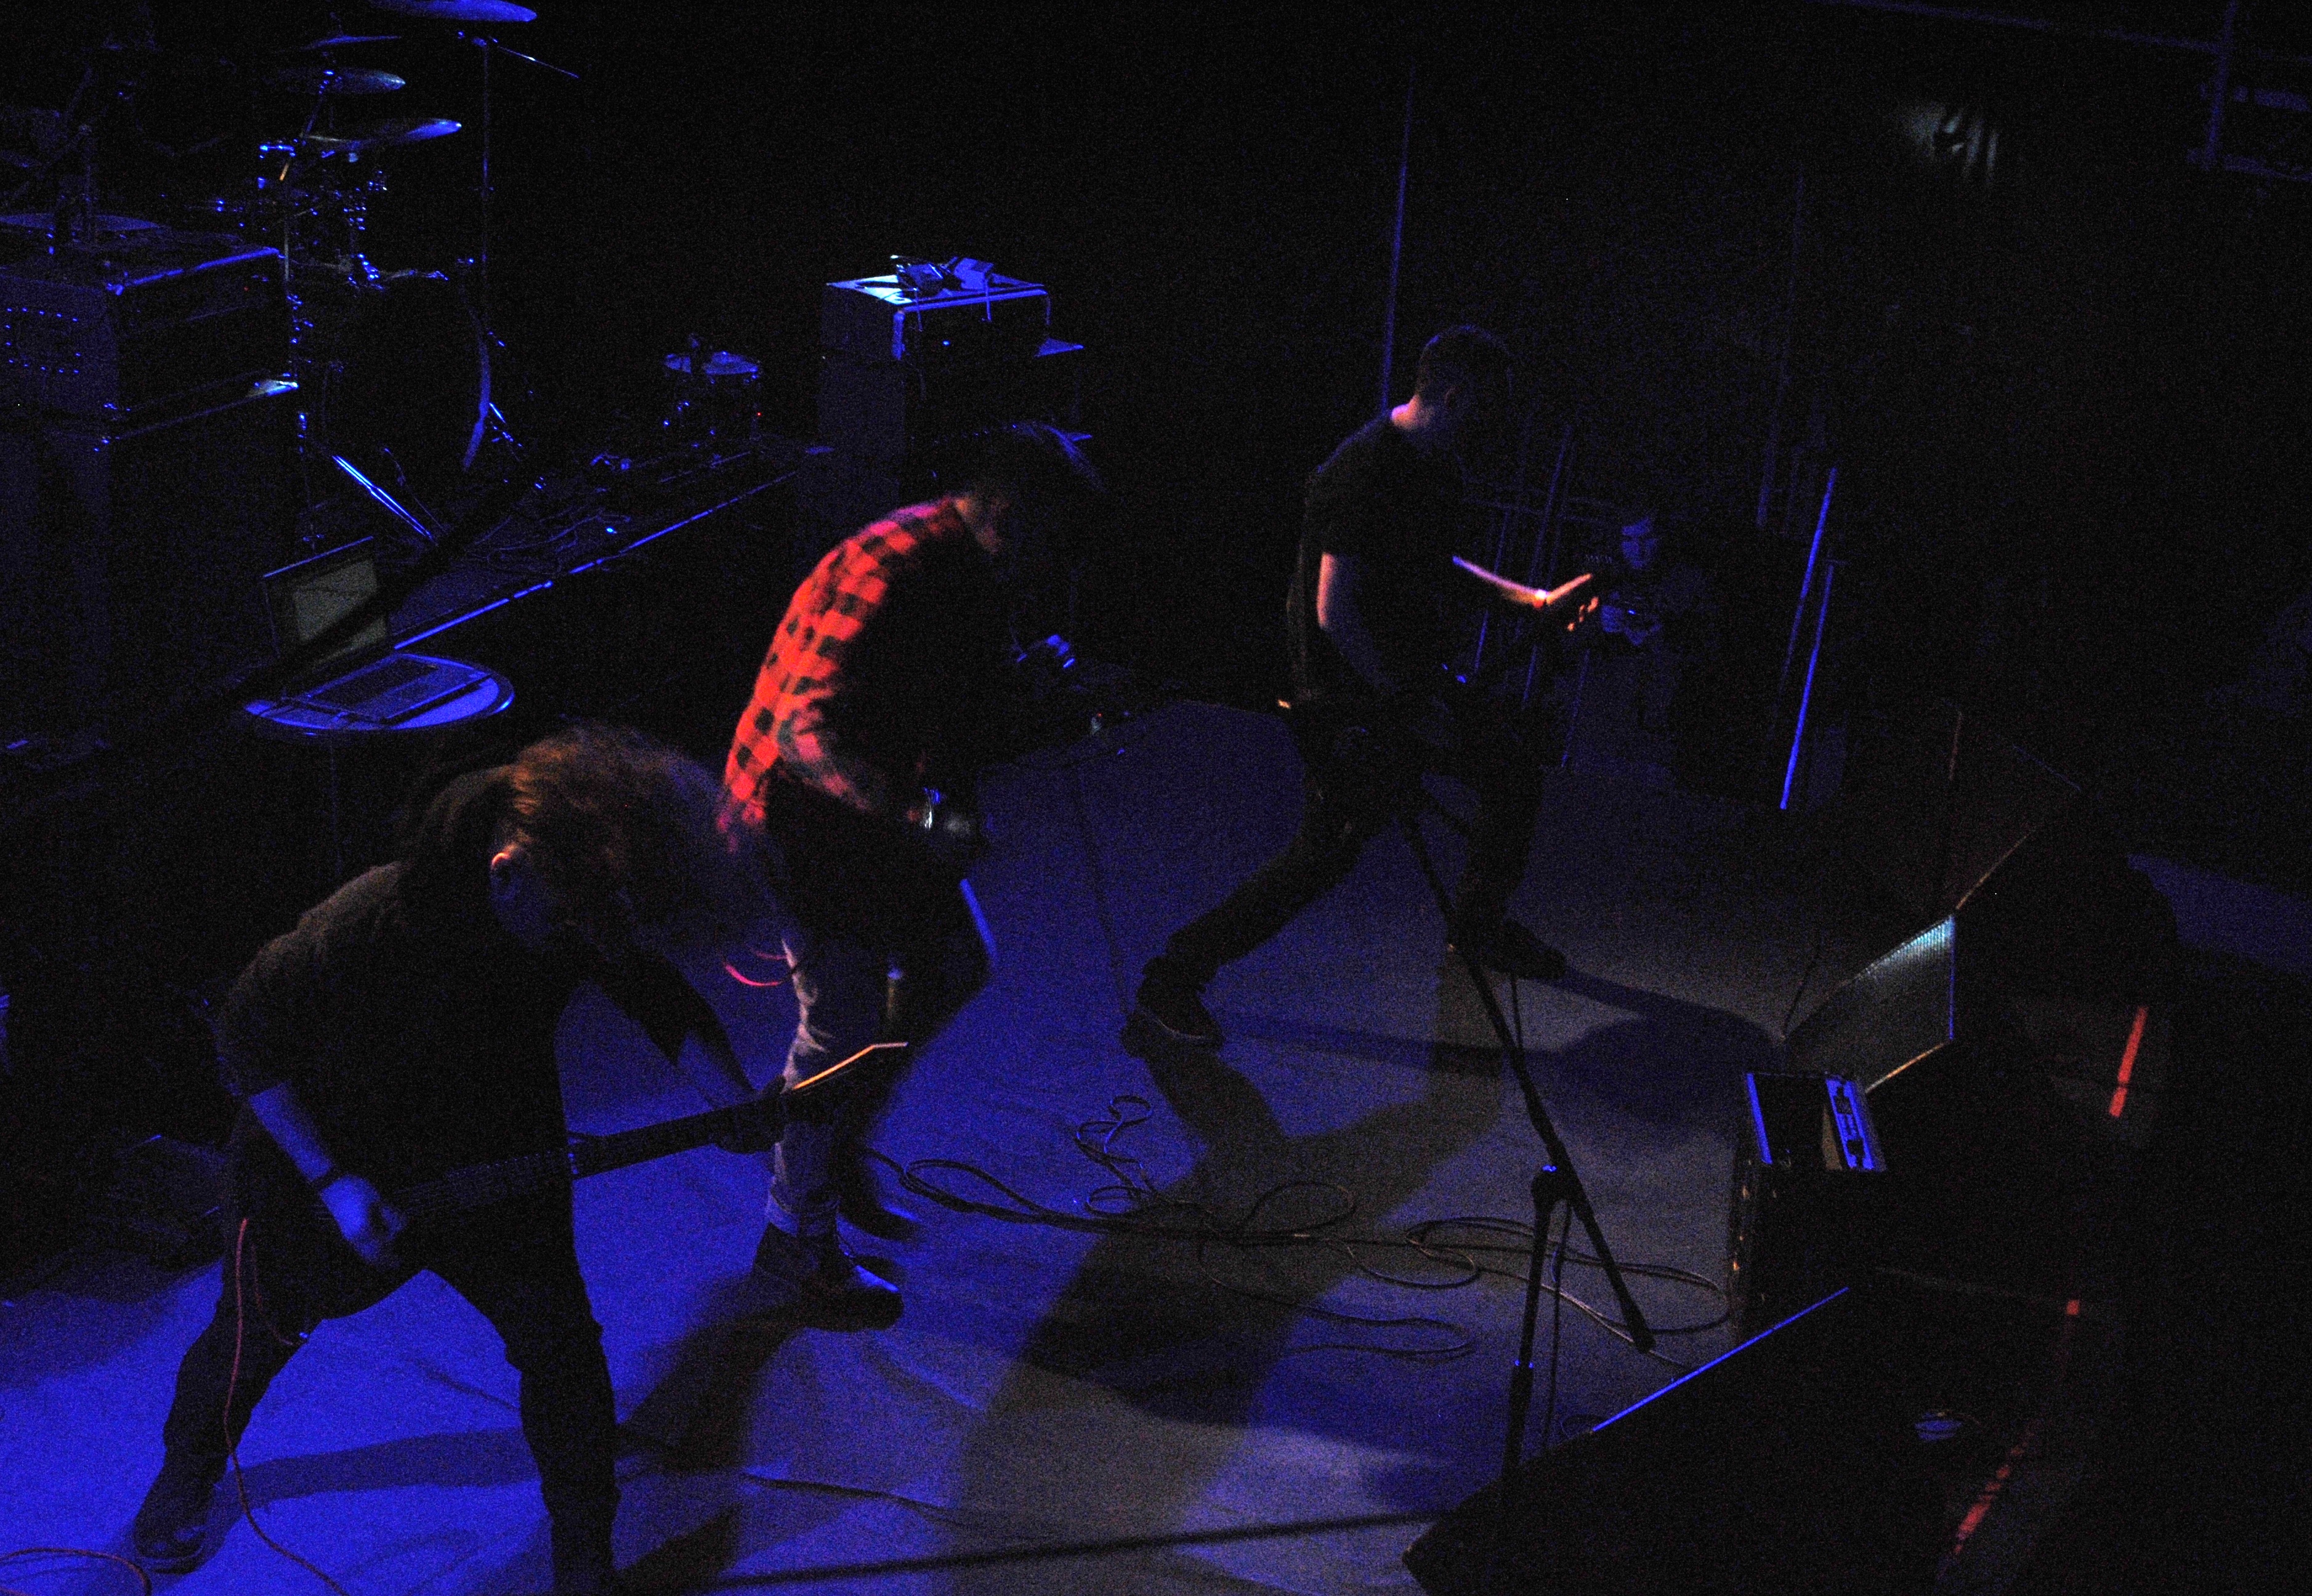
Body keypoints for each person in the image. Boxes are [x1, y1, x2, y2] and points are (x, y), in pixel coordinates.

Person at [129, 724, 782, 1592]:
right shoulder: (368, 923)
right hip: (321, 1173)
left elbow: (652, 991)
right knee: (251, 1344)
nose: (581, 940)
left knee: (563, 1353)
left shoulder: (572, 898)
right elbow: (246, 1038)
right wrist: (334, 1181)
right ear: (506, 871)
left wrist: (728, 1096)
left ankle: (584, 1558)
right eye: (566, 923)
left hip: (499, 1156)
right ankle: (187, 1472)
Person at [1127, 326, 1597, 1052]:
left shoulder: (1433, 467)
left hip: (1402, 682)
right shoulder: (1361, 472)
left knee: (1509, 775)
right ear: (1454, 396)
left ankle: (1476, 929)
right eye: (1488, 408)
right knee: (1326, 852)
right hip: (1346, 698)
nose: (1495, 426)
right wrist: (1404, 705)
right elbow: (1333, 611)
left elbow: (1431, 563)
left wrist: (1530, 601)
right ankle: (1172, 977)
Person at [723, 422, 1103, 1300]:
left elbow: (941, 697)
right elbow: (804, 732)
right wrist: (920, 817)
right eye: (1048, 542)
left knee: (952, 965)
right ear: (1009, 513)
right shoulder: (897, 568)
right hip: (803, 824)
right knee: (841, 1029)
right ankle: (793, 1241)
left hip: (865, 824)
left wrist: (1028, 687)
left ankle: (835, 1143)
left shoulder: (971, 571)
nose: (1050, 567)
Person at [1598, 509, 1714, 735]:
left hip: (1670, 722)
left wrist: (1661, 632)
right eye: (1629, 540)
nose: (1638, 549)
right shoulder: (1605, 579)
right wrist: (1601, 622)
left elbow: (1707, 648)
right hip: (1607, 723)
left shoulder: (1687, 583)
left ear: (1661, 538)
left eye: (1646, 539)